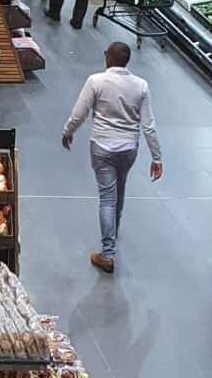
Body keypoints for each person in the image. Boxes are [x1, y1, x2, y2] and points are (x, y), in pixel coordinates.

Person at [60, 41, 163, 273]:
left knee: (107, 197)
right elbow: (148, 125)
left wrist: (67, 132)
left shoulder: (96, 81)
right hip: (129, 148)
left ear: (108, 58)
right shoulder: (141, 86)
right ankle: (113, 230)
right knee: (120, 189)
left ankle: (107, 253)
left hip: (102, 146)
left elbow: (79, 113)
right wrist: (156, 157)